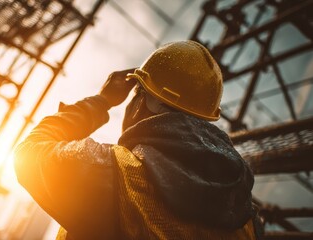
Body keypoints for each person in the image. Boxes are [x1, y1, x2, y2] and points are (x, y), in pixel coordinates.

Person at [14, 40, 261, 240]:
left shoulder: (112, 173)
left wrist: (102, 101)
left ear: (142, 101)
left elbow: (27, 153)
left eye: (137, 93)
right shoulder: (245, 216)